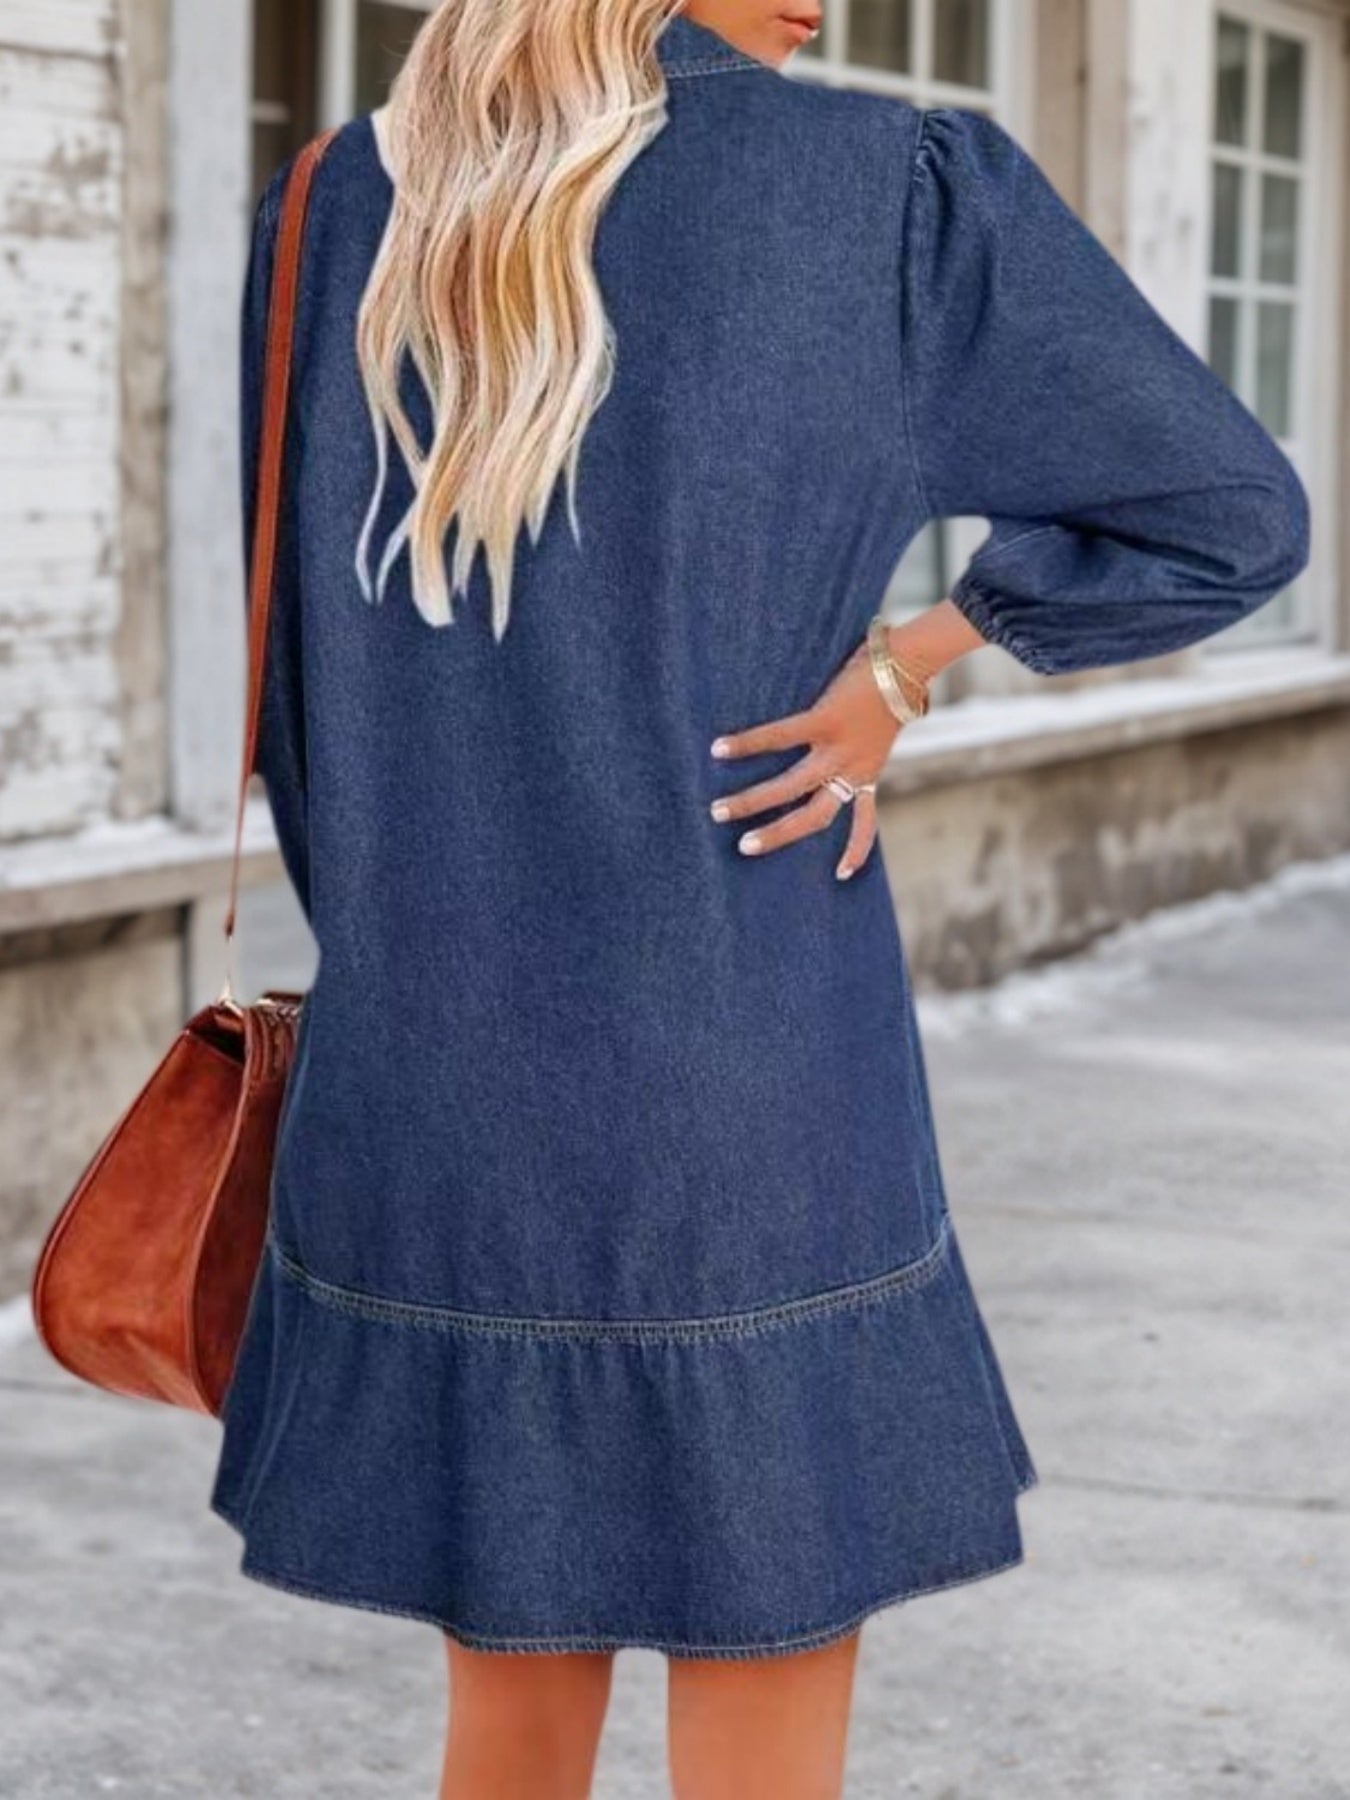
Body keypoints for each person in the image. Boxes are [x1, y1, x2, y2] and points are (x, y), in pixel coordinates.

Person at [209, 3, 1310, 1795]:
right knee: (767, 1670)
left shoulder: (335, 203)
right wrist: (909, 661)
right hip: (745, 1061)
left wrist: (413, 941)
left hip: (431, 1073)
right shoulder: (886, 190)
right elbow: (1229, 513)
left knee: (507, 1703)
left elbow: (295, 697)